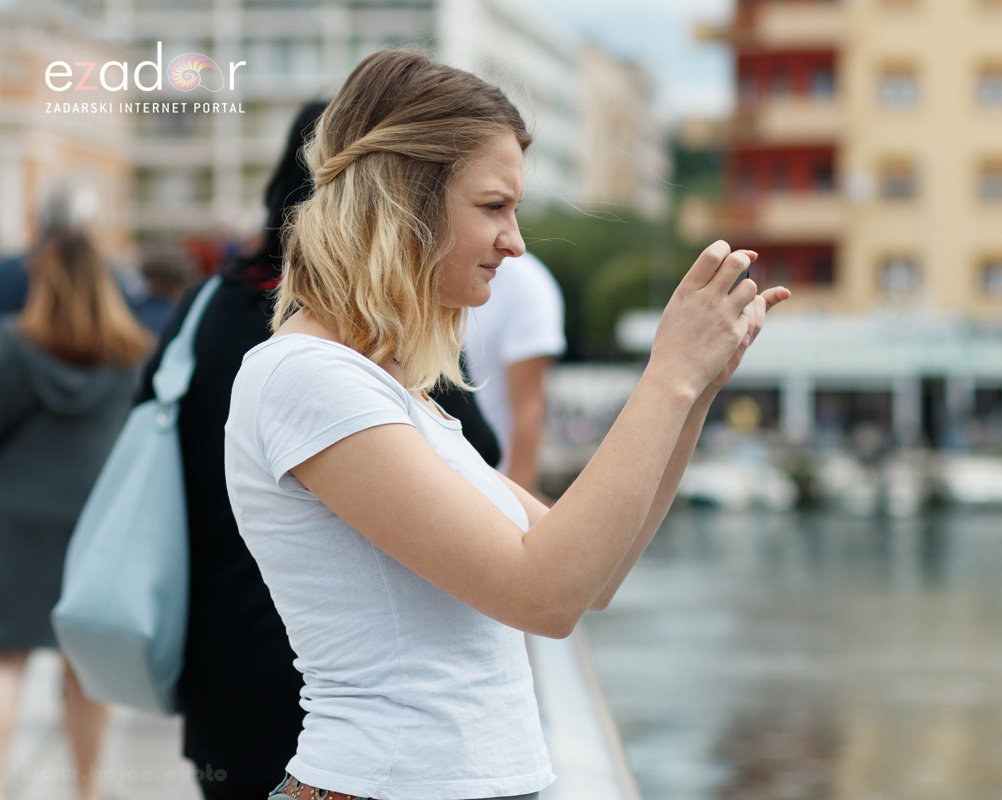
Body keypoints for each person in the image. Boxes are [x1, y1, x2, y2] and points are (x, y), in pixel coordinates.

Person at [225, 49, 788, 800]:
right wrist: (667, 376)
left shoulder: (391, 390)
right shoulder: (306, 379)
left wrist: (693, 395)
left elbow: (594, 575)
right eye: (494, 207)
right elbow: (543, 597)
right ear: (407, 201)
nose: (516, 241)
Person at [137, 99, 502, 800]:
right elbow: (476, 450)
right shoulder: (367, 336)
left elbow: (152, 426)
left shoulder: (206, 309)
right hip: (355, 676)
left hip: (221, 656)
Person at [0, 229, 153, 800]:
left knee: (6, 662)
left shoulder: (13, 348)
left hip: (13, 521)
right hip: (95, 524)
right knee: (84, 670)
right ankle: (88, 790)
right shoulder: (134, 354)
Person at [463, 251, 565, 494]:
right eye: (493, 209)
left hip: (489, 487)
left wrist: (517, 507)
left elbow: (530, 409)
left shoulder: (524, 283)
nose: (515, 243)